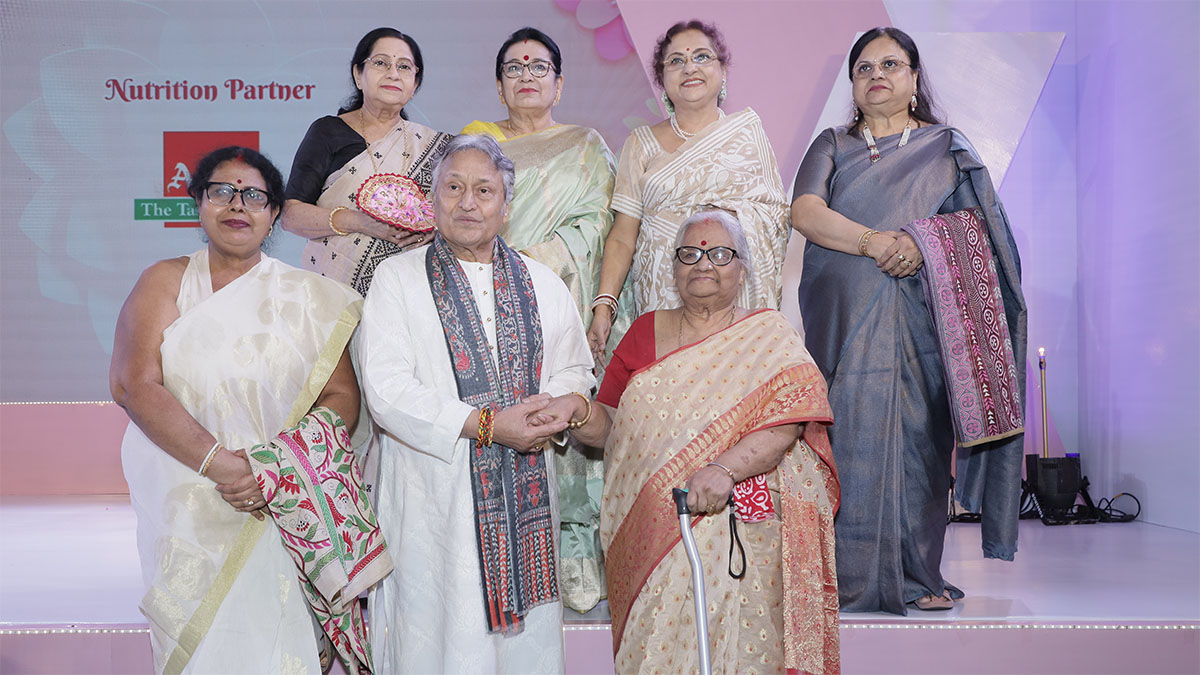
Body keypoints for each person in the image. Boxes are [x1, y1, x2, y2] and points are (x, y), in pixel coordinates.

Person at [112, 147, 383, 672]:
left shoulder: (312, 298)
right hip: (189, 498)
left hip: (280, 502)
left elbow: (340, 400)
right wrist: (228, 467)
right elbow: (133, 384)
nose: (239, 205)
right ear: (198, 203)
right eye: (222, 191)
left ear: (275, 212)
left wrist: (273, 471)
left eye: (255, 195)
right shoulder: (165, 282)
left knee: (283, 644)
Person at [540, 210, 840, 674]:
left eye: (720, 253)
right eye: (690, 253)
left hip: (739, 526)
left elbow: (789, 420)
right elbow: (613, 427)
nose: (704, 263)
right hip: (650, 530)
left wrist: (724, 470)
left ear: (742, 267)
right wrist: (578, 411)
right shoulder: (643, 333)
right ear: (673, 266)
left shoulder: (768, 334)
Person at [791, 27, 1027, 615]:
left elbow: (981, 234)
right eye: (864, 67)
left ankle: (920, 575)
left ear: (914, 77)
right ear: (852, 83)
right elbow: (806, 211)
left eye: (890, 64)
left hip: (924, 320)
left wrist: (923, 242)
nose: (877, 75)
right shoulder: (834, 143)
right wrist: (876, 242)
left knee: (920, 441)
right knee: (845, 437)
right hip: (843, 321)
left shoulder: (946, 148)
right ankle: (843, 575)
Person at [356, 134, 594, 673]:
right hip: (432, 501)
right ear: (432, 199)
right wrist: (486, 425)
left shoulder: (542, 282)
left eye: (484, 190)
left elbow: (575, 368)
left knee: (525, 651)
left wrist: (558, 407)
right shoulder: (397, 279)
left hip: (526, 496)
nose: (468, 202)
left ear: (505, 207)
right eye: (454, 187)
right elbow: (387, 389)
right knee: (436, 633)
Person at [462, 27, 619, 614]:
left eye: (539, 65)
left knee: (567, 422)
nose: (526, 74)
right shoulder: (473, 148)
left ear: (559, 82)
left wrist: (534, 264)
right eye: (514, 66)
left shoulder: (585, 145)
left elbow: (598, 227)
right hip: (480, 302)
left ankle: (572, 561)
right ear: (499, 84)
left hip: (561, 302)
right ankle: (495, 559)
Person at [587, 20, 789, 361]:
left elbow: (776, 220)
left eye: (701, 57)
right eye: (676, 60)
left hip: (733, 298)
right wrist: (605, 304)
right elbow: (623, 236)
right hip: (663, 298)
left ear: (723, 70)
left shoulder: (748, 135)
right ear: (662, 79)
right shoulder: (640, 143)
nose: (689, 67)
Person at [281, 27, 453, 296]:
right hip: (333, 296)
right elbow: (291, 215)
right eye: (381, 63)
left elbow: (454, 216)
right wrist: (361, 222)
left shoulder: (434, 147)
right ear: (358, 75)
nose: (393, 73)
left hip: (408, 292)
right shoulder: (327, 132)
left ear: (415, 84)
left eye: (404, 67)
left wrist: (437, 230)